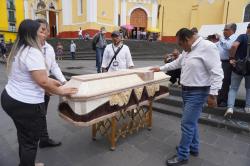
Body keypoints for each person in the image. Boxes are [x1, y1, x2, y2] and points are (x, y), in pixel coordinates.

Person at [1, 19, 77, 166]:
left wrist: (52, 83)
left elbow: (38, 78)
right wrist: (62, 90)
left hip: (10, 98)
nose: (44, 35)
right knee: (30, 142)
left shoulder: (21, 49)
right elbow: (42, 81)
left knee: (24, 136)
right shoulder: (33, 51)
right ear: (31, 34)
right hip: (26, 105)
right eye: (41, 32)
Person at [151, 28, 223, 166]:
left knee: (186, 124)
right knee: (191, 122)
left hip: (198, 92)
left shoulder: (208, 47)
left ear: (188, 39)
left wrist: (213, 94)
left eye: (180, 44)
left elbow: (217, 72)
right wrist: (160, 68)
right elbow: (177, 63)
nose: (180, 47)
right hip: (186, 91)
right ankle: (193, 148)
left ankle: (183, 155)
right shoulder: (188, 49)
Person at [36, 19, 67, 148]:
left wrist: (64, 81)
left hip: (46, 86)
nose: (43, 32)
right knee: (34, 118)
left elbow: (54, 66)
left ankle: (43, 139)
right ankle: (32, 144)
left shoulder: (49, 48)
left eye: (45, 30)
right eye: (40, 30)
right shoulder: (30, 47)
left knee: (42, 114)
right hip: (34, 88)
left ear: (48, 32)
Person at [225, 23, 250, 116]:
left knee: (233, 88)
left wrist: (231, 58)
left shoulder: (243, 36)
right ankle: (248, 107)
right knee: (249, 89)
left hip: (238, 66)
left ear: (247, 29)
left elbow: (234, 46)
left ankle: (230, 107)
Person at [216, 23, 237, 107]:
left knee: (225, 82)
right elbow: (216, 45)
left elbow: (229, 47)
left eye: (226, 30)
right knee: (218, 80)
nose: (224, 31)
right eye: (224, 30)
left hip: (227, 62)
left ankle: (223, 100)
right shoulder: (224, 39)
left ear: (232, 30)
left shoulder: (234, 38)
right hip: (219, 61)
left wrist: (221, 39)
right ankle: (218, 99)